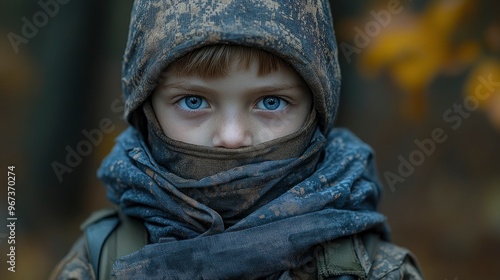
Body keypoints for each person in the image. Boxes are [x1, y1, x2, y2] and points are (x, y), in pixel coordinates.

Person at [50, 0, 423, 279]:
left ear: (316, 112)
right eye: (194, 101)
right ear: (146, 110)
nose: (231, 137)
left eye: (271, 102)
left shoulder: (375, 270)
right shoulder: (99, 261)